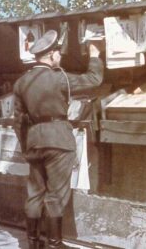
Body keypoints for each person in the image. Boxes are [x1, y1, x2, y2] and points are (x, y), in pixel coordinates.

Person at [13, 30, 104, 249]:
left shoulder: (21, 82)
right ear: (51, 54)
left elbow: (18, 121)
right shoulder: (59, 77)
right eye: (58, 54)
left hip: (33, 141)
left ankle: (33, 244)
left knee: (34, 194)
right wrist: (94, 55)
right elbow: (94, 80)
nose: (60, 58)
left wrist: (26, 145)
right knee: (55, 194)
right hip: (58, 141)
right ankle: (54, 244)